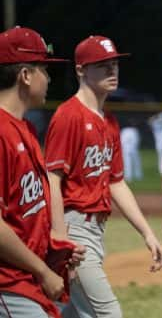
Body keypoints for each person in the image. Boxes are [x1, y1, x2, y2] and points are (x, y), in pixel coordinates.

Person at [44, 35, 162, 318]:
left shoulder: (108, 119)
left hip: (96, 230)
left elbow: (116, 181)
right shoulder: (68, 116)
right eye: (102, 65)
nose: (112, 71)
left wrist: (147, 233)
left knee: (66, 313)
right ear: (80, 70)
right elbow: (52, 180)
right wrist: (61, 241)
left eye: (114, 64)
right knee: (107, 313)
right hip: (75, 230)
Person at [0, 26, 85, 318]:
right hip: (9, 284)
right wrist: (42, 271)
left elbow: (24, 211)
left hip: (27, 280)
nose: (48, 78)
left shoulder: (25, 129)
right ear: (25, 75)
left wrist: (55, 251)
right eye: (43, 70)